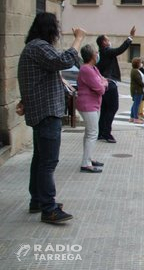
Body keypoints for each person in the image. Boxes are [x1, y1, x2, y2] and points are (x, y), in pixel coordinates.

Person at [17, 12, 86, 223]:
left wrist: (24, 100)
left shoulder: (32, 48)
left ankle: (37, 200)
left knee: (39, 160)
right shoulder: (39, 47)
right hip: (47, 112)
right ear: (50, 29)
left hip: (40, 111)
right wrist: (78, 39)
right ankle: (49, 208)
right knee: (48, 162)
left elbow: (32, 80)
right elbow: (63, 61)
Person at [96, 26, 136, 143]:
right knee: (113, 107)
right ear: (103, 42)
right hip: (110, 83)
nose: (109, 41)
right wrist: (130, 37)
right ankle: (107, 133)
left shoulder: (101, 53)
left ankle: (101, 133)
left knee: (104, 109)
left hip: (104, 83)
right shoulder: (107, 51)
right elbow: (119, 50)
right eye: (107, 40)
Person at [75, 44, 108, 173]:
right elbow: (100, 88)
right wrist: (103, 84)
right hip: (87, 105)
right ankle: (86, 163)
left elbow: (102, 80)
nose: (97, 53)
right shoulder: (86, 70)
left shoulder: (93, 68)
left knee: (90, 133)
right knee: (92, 133)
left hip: (93, 104)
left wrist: (102, 83)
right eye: (96, 52)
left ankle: (88, 158)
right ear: (92, 55)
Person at [130, 57, 144, 124]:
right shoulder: (135, 71)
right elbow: (139, 81)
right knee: (136, 104)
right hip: (137, 90)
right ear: (137, 64)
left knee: (135, 104)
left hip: (138, 90)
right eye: (140, 63)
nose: (141, 64)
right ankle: (135, 118)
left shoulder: (136, 70)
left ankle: (132, 117)